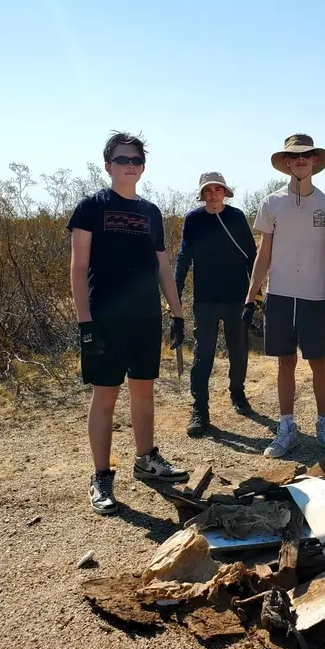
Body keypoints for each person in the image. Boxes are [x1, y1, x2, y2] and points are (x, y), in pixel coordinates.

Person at [67, 131, 189, 515]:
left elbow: (163, 266)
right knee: (105, 397)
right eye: (122, 160)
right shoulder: (90, 207)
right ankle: (101, 476)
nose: (130, 166)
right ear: (108, 166)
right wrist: (85, 322)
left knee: (143, 392)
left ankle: (146, 460)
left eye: (136, 161)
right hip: (104, 317)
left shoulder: (150, 212)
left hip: (144, 318)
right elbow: (79, 266)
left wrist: (177, 311)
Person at [244, 134, 325, 462]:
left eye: (306, 155)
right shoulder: (271, 203)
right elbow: (264, 254)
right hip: (280, 295)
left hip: (315, 295)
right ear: (287, 162)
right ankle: (286, 428)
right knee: (285, 362)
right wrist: (251, 298)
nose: (300, 160)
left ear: (315, 160)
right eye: (294, 156)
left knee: (319, 362)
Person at [174, 172, 257, 437]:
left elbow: (252, 257)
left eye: (217, 190)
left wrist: (255, 295)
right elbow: (184, 256)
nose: (213, 195)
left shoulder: (237, 217)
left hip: (236, 297)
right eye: (208, 191)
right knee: (203, 355)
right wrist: (174, 292)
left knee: (238, 350)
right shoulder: (193, 219)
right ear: (202, 194)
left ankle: (238, 393)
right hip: (205, 299)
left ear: (225, 192)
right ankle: (200, 410)